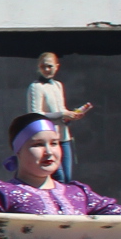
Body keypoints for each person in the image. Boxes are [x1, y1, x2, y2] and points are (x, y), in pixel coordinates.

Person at [25, 53, 90, 183]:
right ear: (38, 67)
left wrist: (72, 115)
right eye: (43, 66)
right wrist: (62, 115)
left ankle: (64, 203)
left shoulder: (58, 85)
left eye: (50, 66)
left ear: (57, 67)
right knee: (57, 177)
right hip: (47, 140)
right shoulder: (36, 87)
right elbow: (36, 114)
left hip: (63, 137)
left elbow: (61, 110)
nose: (47, 70)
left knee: (67, 177)